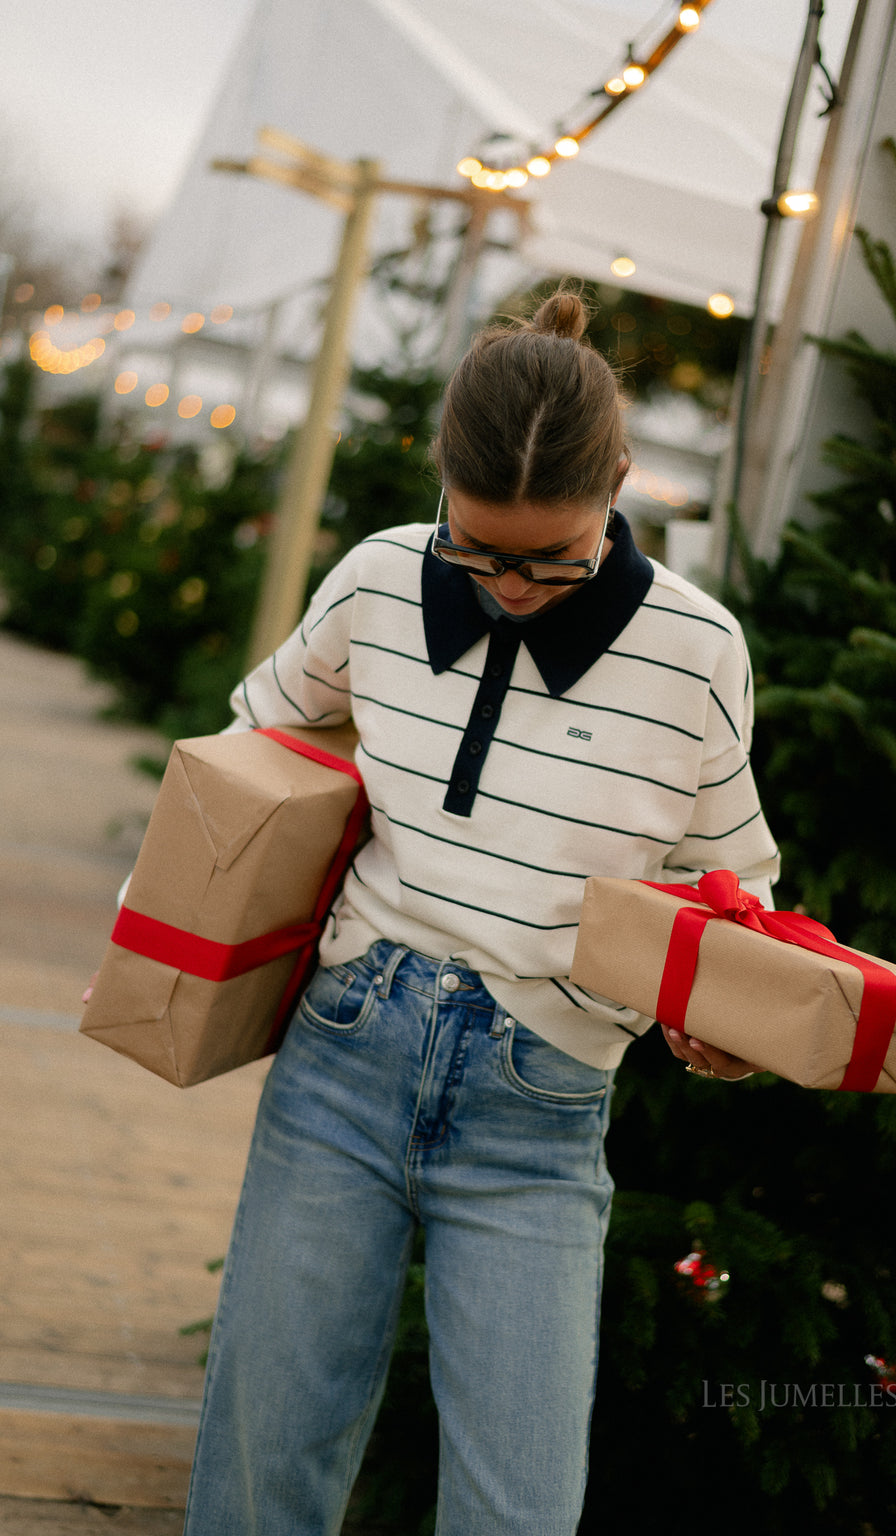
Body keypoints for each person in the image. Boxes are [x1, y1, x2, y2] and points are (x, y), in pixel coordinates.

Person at [181, 284, 779, 1536]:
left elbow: (734, 886)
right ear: (438, 481)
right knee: (262, 1464)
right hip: (343, 1060)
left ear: (618, 483)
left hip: (538, 1109)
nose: (509, 587)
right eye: (478, 551)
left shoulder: (696, 652)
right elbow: (254, 739)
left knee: (518, 1507)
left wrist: (718, 1018)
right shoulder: (381, 579)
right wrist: (175, 934)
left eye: (552, 559)